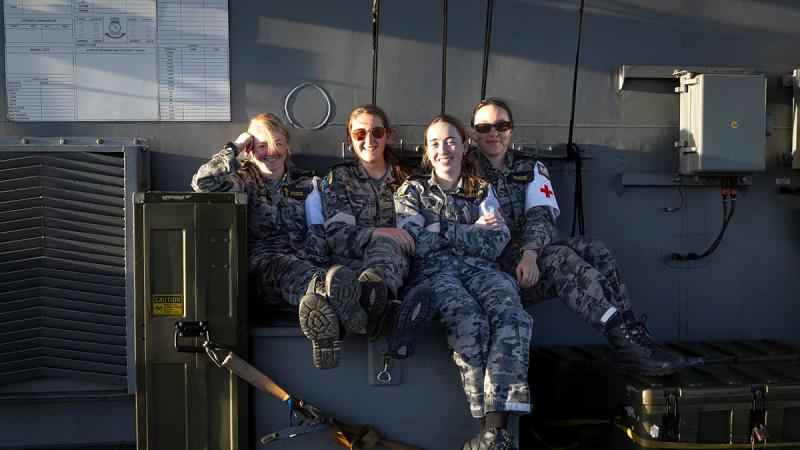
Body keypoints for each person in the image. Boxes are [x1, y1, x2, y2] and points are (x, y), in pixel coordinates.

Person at [470, 98, 686, 376]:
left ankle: (630, 339)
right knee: (561, 258)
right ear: (473, 132)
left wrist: (530, 253)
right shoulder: (465, 171)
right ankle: (626, 340)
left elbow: (543, 216)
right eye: (484, 126)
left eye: (502, 125)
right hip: (490, 271)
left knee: (593, 248)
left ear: (511, 130)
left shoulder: (530, 168)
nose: (493, 133)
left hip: (526, 262)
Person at [395, 115, 530, 450]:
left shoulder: (482, 190)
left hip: (482, 271)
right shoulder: (411, 192)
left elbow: (497, 242)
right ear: (427, 151)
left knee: (513, 318)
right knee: (469, 319)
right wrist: (472, 231)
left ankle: (495, 433)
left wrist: (439, 229)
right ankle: (486, 429)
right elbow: (414, 243)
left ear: (465, 145)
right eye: (436, 143)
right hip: (435, 274)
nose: (445, 150)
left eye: (451, 141)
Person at [191, 112, 364, 370]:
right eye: (262, 146)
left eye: (278, 144)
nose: (272, 152)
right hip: (265, 271)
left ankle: (324, 306)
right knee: (287, 267)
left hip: (308, 262)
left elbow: (323, 231)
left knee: (342, 270)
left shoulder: (307, 183)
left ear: (288, 146)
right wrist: (235, 147)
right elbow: (202, 182)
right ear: (250, 150)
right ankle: (331, 295)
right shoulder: (243, 181)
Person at [317, 104, 434, 359]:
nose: (369, 140)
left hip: (398, 266)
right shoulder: (340, 180)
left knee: (387, 247)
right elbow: (337, 236)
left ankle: (369, 312)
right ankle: (388, 315)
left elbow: (425, 227)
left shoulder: (410, 180)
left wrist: (388, 238)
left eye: (376, 132)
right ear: (350, 140)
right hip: (350, 270)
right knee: (382, 244)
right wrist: (380, 232)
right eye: (360, 134)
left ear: (387, 135)